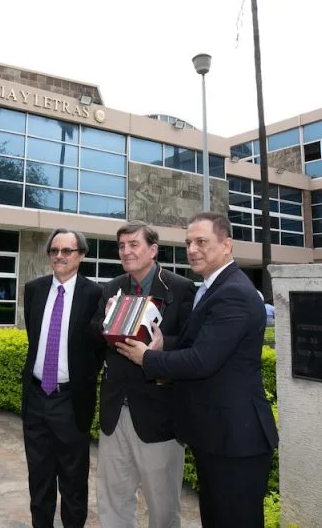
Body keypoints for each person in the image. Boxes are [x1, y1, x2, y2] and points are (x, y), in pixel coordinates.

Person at [116, 212, 277, 528]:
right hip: (216, 436)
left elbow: (203, 360)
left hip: (236, 440)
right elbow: (203, 342)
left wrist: (147, 358)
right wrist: (166, 345)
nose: (192, 249)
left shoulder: (233, 293)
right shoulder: (212, 287)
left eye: (201, 241)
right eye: (188, 242)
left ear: (227, 245)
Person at [90, 221, 195, 528]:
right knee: (113, 500)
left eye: (134, 244)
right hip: (114, 412)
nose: (126, 251)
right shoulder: (111, 288)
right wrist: (105, 322)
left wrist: (164, 345)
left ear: (152, 250)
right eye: (121, 246)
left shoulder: (180, 288)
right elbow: (92, 334)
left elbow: (193, 345)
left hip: (157, 414)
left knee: (162, 506)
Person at [21, 228, 105, 527]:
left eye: (66, 251)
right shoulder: (33, 289)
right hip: (36, 399)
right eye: (54, 250)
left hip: (71, 401)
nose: (59, 256)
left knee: (73, 480)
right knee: (39, 477)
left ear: (80, 256)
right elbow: (35, 338)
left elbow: (97, 348)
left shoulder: (95, 294)